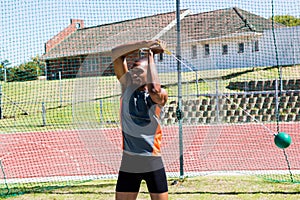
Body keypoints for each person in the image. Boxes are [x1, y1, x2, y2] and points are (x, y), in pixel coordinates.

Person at [111, 40, 169, 200]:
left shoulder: (160, 95)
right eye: (132, 70)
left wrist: (150, 55)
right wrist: (144, 44)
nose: (133, 73)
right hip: (129, 160)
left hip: (152, 160)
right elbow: (116, 53)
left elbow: (154, 89)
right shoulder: (127, 88)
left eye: (138, 71)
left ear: (148, 72)